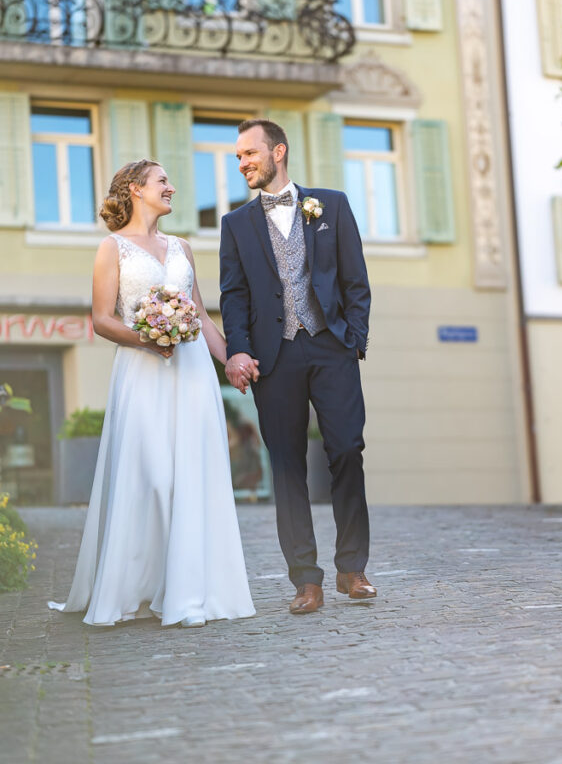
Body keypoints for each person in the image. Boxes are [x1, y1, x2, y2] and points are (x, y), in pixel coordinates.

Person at [49, 160, 254, 627]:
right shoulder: (112, 248)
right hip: (142, 374)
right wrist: (149, 339)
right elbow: (102, 318)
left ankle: (188, 593)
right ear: (135, 189)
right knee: (154, 477)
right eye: (163, 181)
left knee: (191, 477)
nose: (172, 188)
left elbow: (201, 315)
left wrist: (233, 361)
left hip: (192, 374)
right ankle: (137, 585)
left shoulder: (181, 247)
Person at [219, 119, 375, 615]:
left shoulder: (331, 204)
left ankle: (352, 569)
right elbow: (233, 296)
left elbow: (356, 279)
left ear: (278, 151)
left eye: (250, 152)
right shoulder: (235, 224)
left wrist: (355, 339)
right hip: (274, 356)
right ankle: (305, 580)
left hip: (332, 346)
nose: (243, 162)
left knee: (347, 450)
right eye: (238, 156)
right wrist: (239, 350)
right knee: (286, 466)